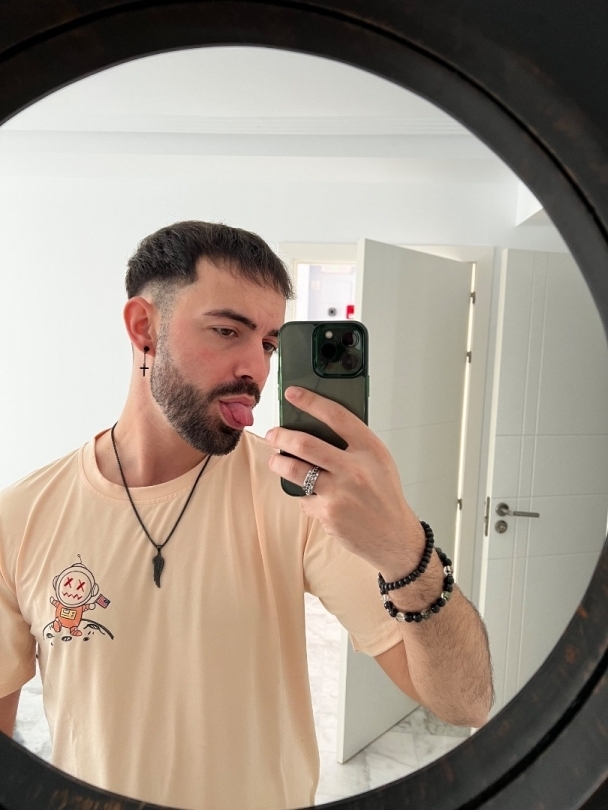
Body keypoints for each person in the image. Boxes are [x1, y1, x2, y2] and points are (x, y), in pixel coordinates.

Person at [0, 221, 492, 810]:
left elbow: (465, 701)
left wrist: (404, 549)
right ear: (144, 328)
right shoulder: (20, 517)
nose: (255, 370)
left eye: (268, 344)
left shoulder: (300, 497)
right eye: (228, 331)